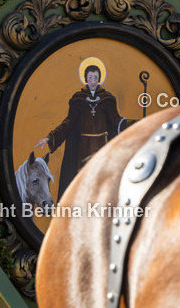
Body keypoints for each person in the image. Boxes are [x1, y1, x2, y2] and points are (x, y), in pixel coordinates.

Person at [34, 57, 130, 201]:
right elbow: (68, 123)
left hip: (101, 146)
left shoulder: (107, 99)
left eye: (95, 77)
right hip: (82, 147)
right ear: (85, 78)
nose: (93, 81)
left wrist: (136, 124)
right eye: (90, 77)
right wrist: (50, 138)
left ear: (100, 79)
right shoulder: (78, 100)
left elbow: (116, 121)